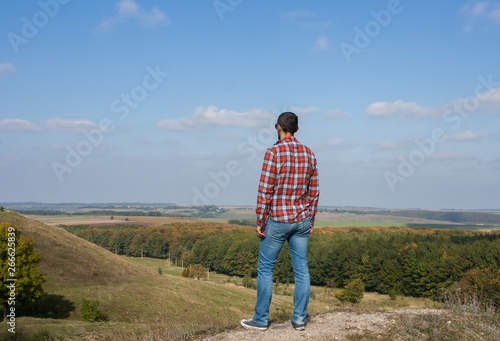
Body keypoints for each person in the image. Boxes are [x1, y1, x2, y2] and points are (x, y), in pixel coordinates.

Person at [241, 112, 320, 331]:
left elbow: (265, 189)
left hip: (277, 220)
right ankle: (299, 319)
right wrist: (311, 221)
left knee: (266, 269)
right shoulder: (310, 154)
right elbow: (313, 192)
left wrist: (260, 220)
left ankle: (260, 319)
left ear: (278, 127)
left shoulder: (273, 152)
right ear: (297, 129)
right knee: (301, 270)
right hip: (302, 219)